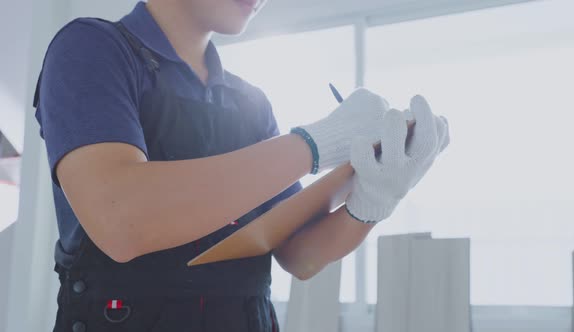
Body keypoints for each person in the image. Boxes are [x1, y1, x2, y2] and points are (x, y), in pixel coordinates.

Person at [33, 0, 450, 331]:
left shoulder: (250, 103)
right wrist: (315, 142)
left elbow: (299, 254)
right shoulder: (92, 49)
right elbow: (121, 219)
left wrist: (373, 200)